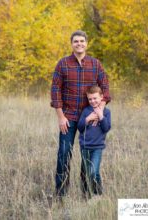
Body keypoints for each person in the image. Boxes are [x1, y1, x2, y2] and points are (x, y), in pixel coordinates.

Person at [51, 30, 111, 197]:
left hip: (89, 118)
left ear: (86, 43)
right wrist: (61, 117)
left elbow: (105, 87)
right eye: (76, 41)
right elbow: (55, 91)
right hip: (68, 118)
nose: (79, 44)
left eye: (82, 41)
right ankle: (61, 193)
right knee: (64, 154)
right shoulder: (62, 64)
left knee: (87, 156)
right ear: (72, 44)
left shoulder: (95, 64)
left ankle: (87, 192)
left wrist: (100, 109)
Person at [77, 86, 111, 198]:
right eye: (90, 99)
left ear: (101, 97)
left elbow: (106, 128)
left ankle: (98, 193)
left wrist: (101, 116)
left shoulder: (106, 112)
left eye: (95, 98)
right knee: (87, 172)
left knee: (93, 171)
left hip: (97, 147)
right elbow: (80, 128)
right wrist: (87, 119)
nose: (92, 101)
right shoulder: (86, 111)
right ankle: (87, 194)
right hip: (85, 146)